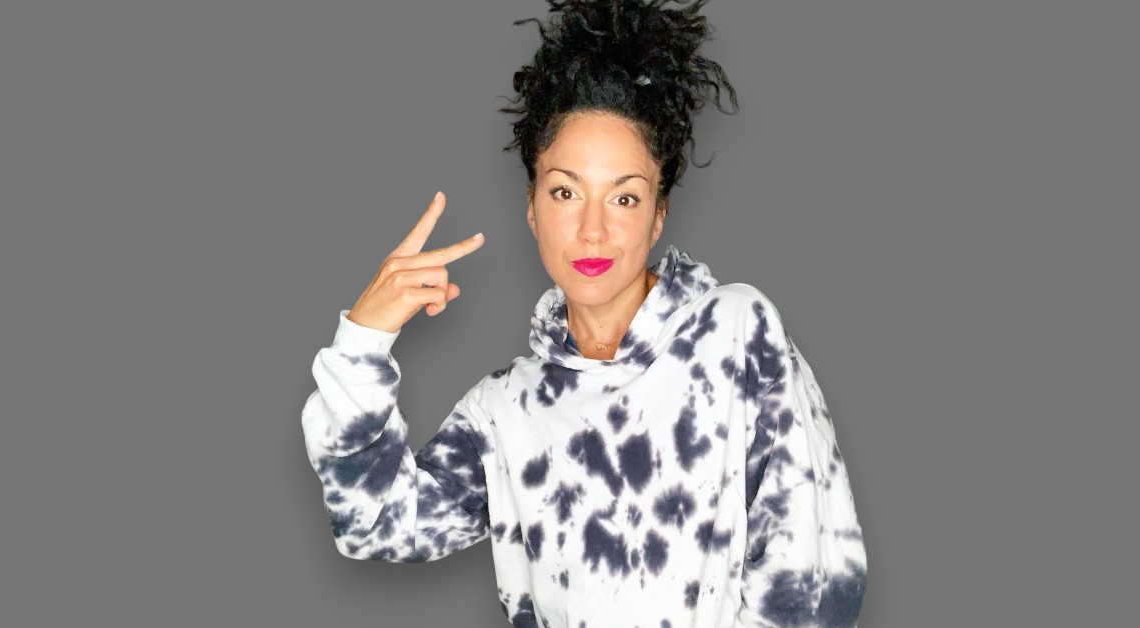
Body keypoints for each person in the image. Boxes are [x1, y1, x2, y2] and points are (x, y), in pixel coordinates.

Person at [300, 0, 867, 625]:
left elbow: (814, 585)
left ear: (658, 216)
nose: (593, 229)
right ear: (532, 208)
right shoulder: (506, 408)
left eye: (624, 197)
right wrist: (362, 342)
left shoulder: (736, 334)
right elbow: (377, 523)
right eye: (566, 191)